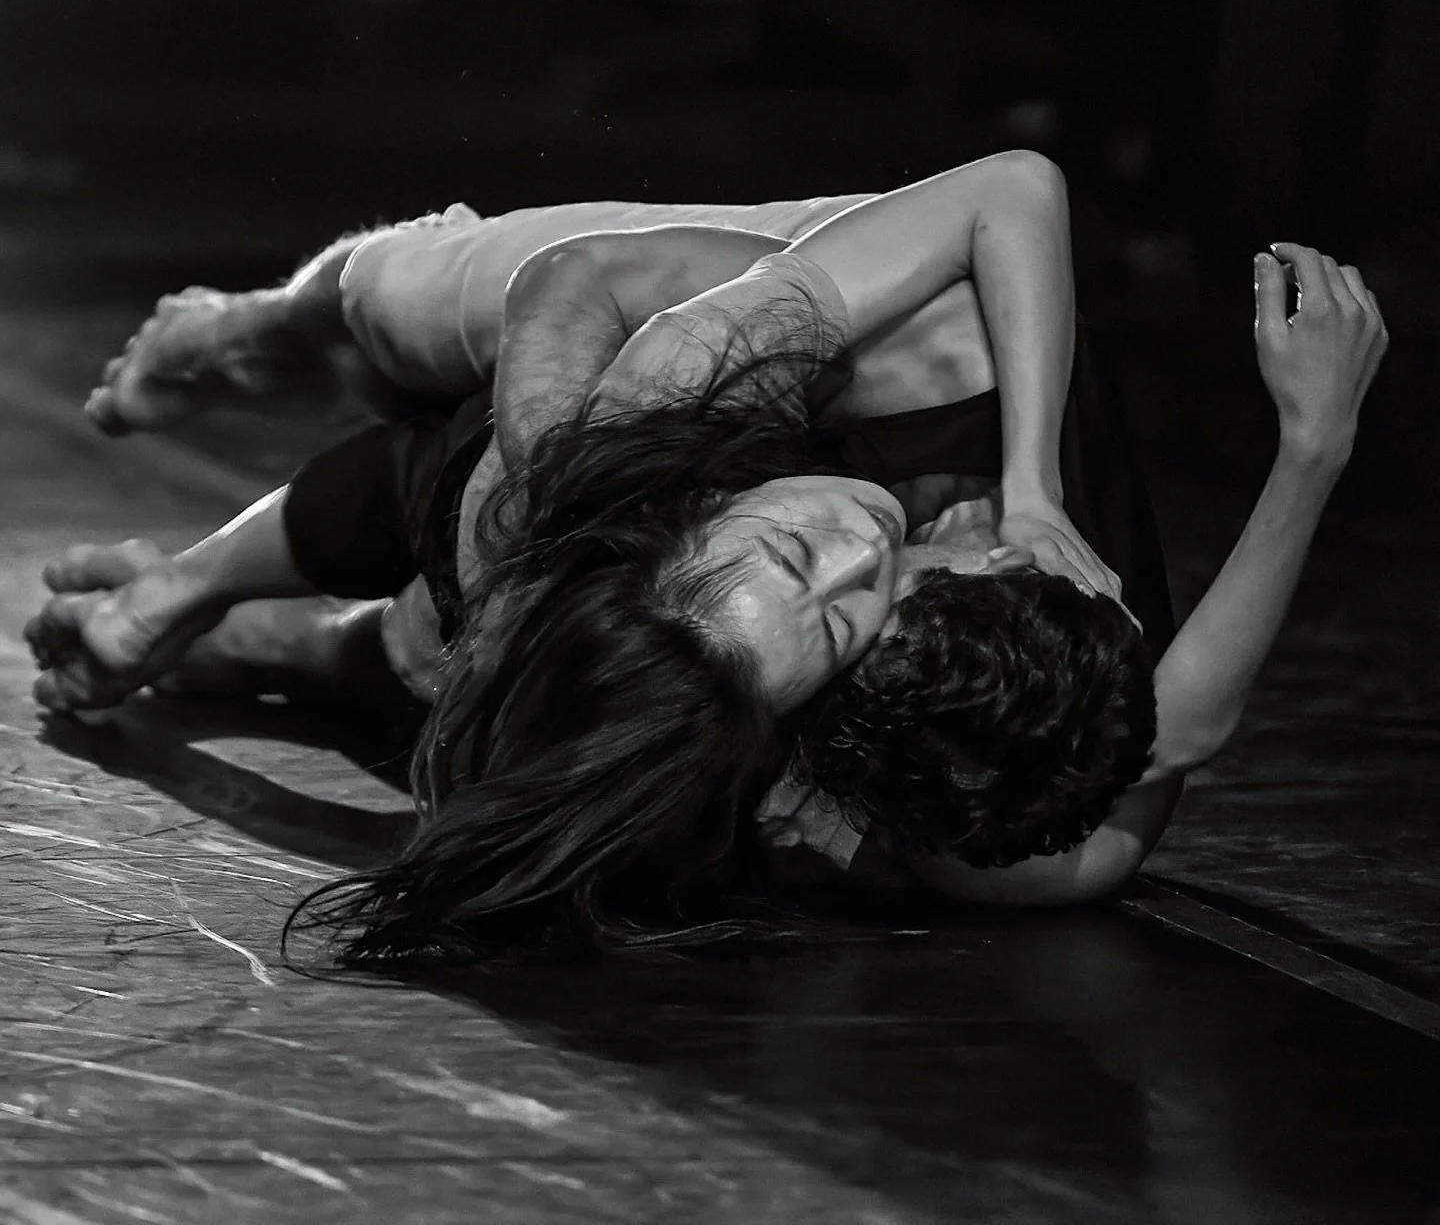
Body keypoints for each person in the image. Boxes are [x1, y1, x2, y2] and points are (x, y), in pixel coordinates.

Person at [27, 159, 1386, 960]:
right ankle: (233, 334)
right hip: (660, 309)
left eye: (842, 609)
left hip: (645, 520)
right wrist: (1307, 445)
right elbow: (579, 288)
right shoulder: (741, 382)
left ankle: (251, 632)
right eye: (875, 565)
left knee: (439, 652)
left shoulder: (929, 772)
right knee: (392, 311)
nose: (864, 546)